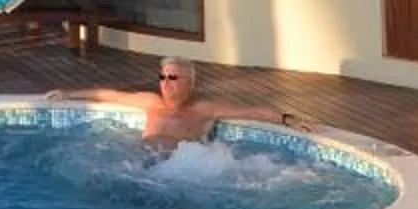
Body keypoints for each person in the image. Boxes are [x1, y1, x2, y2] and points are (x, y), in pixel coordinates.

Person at [51, 61, 287, 143]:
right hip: (138, 165)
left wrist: (288, 118)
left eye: (173, 77)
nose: (165, 82)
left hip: (174, 171)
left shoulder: (201, 109)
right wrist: (68, 94)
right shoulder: (150, 102)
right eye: (162, 77)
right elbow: (108, 95)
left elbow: (253, 111)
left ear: (189, 83)